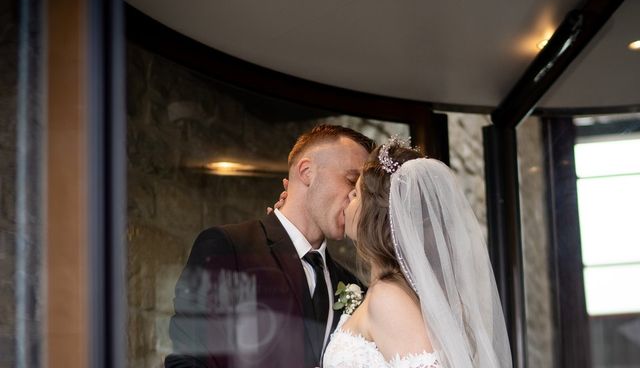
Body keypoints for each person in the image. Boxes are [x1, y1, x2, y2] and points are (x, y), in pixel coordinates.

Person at [165, 124, 375, 368]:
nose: (356, 198)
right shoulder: (229, 248)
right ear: (306, 171)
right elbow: (188, 360)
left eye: (363, 192)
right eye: (352, 181)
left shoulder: (353, 285)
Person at [322, 136, 512, 368]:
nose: (349, 198)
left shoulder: (388, 296)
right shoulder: (397, 290)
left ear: (375, 217)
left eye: (357, 194)